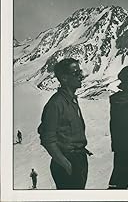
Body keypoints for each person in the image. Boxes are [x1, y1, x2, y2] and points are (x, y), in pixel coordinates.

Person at [38, 58, 92, 189]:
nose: (81, 76)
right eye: (75, 73)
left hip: (78, 159)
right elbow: (47, 139)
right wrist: (66, 164)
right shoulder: (55, 104)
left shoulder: (71, 100)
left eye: (80, 72)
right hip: (67, 163)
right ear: (64, 78)